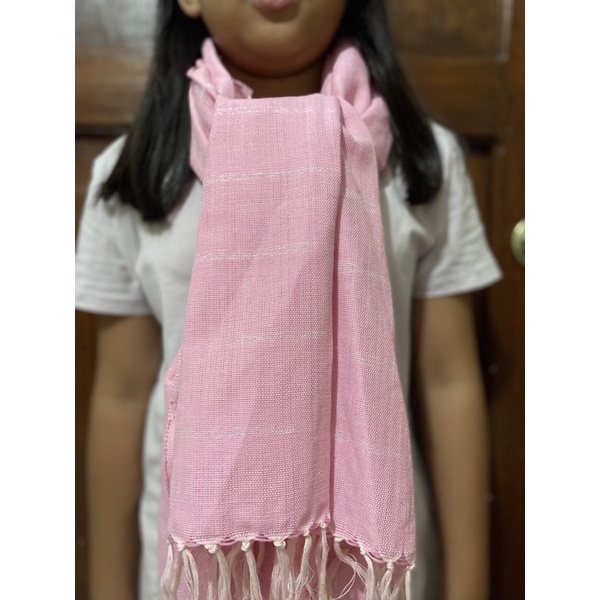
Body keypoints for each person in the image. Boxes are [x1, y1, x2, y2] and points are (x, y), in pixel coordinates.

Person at [75, 1, 502, 600]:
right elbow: (121, 394)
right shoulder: (134, 174)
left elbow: (448, 379)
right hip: (195, 573)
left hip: (369, 572)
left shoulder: (419, 161)